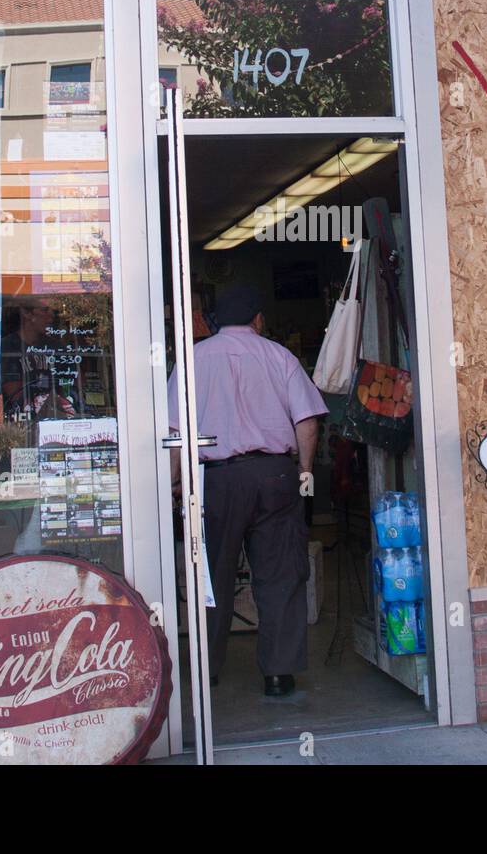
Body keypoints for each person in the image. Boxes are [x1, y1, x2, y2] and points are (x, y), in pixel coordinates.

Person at [168, 284, 327, 697]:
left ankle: (208, 669)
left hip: (216, 478)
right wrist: (305, 471)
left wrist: (173, 484)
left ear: (216, 320)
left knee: (212, 575)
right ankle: (278, 673)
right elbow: (307, 420)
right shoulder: (280, 356)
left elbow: (174, 432)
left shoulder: (194, 359)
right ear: (258, 318)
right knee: (279, 575)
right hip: (275, 476)